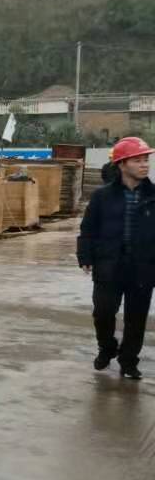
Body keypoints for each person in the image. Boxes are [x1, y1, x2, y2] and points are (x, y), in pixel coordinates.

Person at [78, 136, 155, 380]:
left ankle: (129, 361)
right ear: (122, 164)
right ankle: (107, 347)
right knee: (103, 312)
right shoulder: (102, 196)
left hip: (143, 267)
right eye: (138, 160)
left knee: (136, 317)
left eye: (146, 160)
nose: (144, 165)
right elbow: (88, 228)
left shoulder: (153, 195)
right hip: (109, 265)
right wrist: (85, 255)